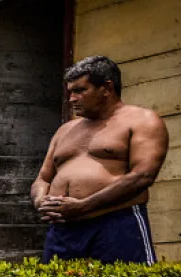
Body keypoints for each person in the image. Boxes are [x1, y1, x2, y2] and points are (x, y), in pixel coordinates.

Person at [33, 55, 170, 264]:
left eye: (80, 90)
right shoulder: (65, 130)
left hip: (116, 223)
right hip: (63, 229)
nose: (71, 98)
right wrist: (41, 200)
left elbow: (143, 176)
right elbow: (43, 178)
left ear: (106, 88)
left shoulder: (142, 120)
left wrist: (84, 205)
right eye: (70, 92)